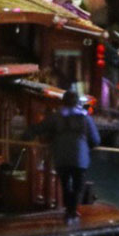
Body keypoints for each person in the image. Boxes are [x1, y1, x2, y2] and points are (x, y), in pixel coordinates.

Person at [36, 90, 99, 224]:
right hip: (80, 158)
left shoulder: (56, 117)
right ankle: (72, 213)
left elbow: (44, 132)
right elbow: (95, 140)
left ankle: (68, 212)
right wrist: (86, 147)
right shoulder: (85, 117)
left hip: (61, 157)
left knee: (65, 185)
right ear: (77, 103)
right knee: (78, 186)